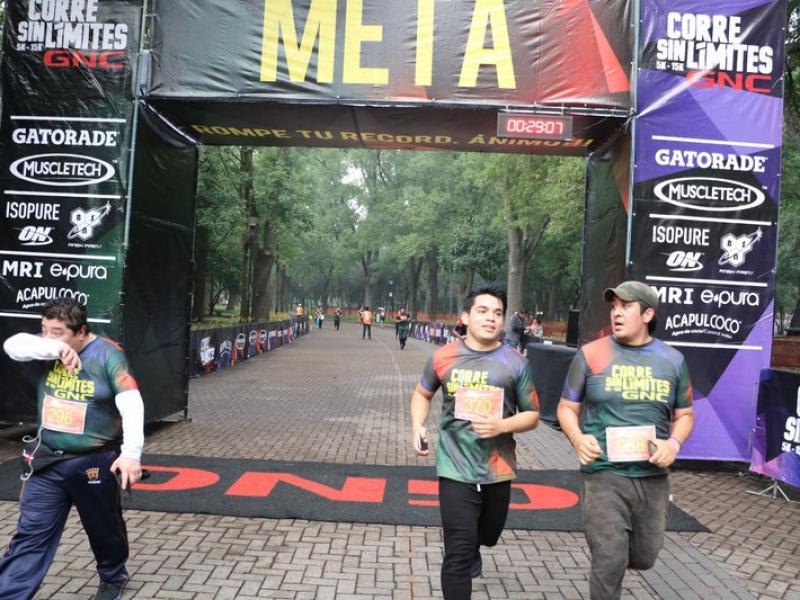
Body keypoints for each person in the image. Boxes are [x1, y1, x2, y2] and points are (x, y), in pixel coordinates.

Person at [556, 281, 694, 600]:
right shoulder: (591, 354)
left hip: (652, 477)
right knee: (609, 559)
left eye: (626, 306)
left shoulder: (673, 360)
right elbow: (566, 407)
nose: (616, 313)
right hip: (603, 473)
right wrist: (577, 437)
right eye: (614, 306)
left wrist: (673, 445)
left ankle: (623, 555)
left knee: (645, 556)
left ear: (647, 314)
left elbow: (686, 414)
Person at [0, 298, 145, 600]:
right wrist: (55, 346)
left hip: (93, 461)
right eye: (44, 329)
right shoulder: (46, 347)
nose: (48, 336)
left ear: (81, 332)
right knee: (31, 534)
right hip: (47, 460)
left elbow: (131, 403)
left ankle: (113, 577)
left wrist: (131, 453)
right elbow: (13, 346)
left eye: (58, 332)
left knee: (104, 529)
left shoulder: (108, 355)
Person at [410, 286, 540, 599]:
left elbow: (533, 415)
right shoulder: (443, 357)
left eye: (497, 313)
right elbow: (422, 394)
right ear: (466, 317)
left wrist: (501, 425)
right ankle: (467, 549)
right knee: (458, 549)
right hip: (454, 465)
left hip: (497, 467)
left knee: (489, 534)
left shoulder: (516, 363)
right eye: (483, 311)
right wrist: (417, 426)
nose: (491, 318)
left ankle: (475, 546)